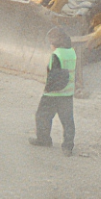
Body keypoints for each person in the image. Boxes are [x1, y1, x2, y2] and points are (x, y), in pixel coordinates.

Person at [31, 27, 76, 156]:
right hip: (67, 94)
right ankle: (68, 147)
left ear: (54, 43)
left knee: (42, 116)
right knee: (68, 121)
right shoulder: (72, 53)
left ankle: (43, 139)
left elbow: (55, 74)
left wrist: (47, 89)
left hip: (52, 94)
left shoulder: (57, 54)